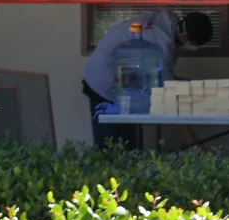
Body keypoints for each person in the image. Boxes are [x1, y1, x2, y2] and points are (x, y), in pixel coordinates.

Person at [81, 9, 213, 148]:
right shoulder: (159, 44)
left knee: (130, 142)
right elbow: (169, 97)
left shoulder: (169, 23)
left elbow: (165, 80)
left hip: (122, 83)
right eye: (194, 44)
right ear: (184, 36)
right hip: (104, 85)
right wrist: (196, 143)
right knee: (113, 146)